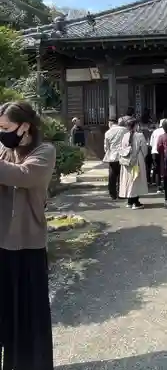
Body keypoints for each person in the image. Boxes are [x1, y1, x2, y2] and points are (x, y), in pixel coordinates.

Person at [0, 100, 56, 370]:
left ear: (25, 126)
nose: (2, 133)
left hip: (28, 244)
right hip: (2, 243)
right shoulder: (5, 150)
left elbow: (22, 176)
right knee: (5, 314)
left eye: (5, 127)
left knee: (30, 315)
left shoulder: (45, 151)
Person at [119, 117, 148, 209]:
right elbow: (144, 149)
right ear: (136, 125)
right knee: (136, 180)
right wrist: (143, 156)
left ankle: (129, 201)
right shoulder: (139, 135)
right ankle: (135, 202)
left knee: (128, 180)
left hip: (126, 161)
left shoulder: (124, 136)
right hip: (137, 161)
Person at [103, 117, 127, 200]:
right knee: (122, 175)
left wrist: (108, 153)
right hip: (123, 155)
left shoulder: (108, 132)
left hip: (112, 156)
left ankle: (113, 194)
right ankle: (122, 193)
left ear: (110, 123)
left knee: (112, 176)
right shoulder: (125, 130)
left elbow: (106, 147)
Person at [137, 109, 154, 183]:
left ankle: (142, 179)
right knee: (149, 164)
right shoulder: (151, 124)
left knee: (141, 163)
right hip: (149, 145)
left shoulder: (139, 125)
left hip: (141, 146)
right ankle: (148, 179)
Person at [150, 119, 165, 193]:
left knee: (157, 170)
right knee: (165, 169)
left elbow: (151, 143)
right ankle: (165, 186)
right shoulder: (165, 131)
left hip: (154, 152)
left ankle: (158, 187)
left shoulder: (155, 131)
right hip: (163, 153)